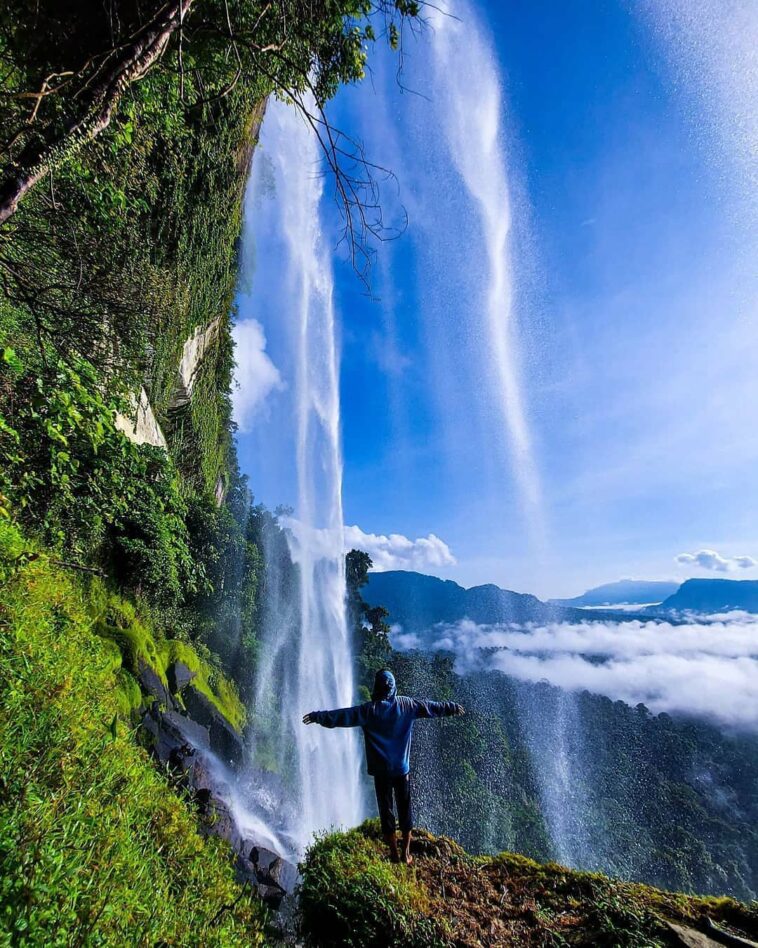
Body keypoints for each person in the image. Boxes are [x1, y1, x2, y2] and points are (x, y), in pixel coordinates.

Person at [303, 668, 465, 865]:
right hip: (401, 770)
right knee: (405, 809)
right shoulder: (407, 705)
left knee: (386, 810)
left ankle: (394, 853)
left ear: (376, 688)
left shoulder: (369, 711)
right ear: (394, 688)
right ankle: (406, 853)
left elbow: (343, 716)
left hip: (381, 772)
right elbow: (432, 707)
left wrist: (318, 716)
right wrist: (452, 707)